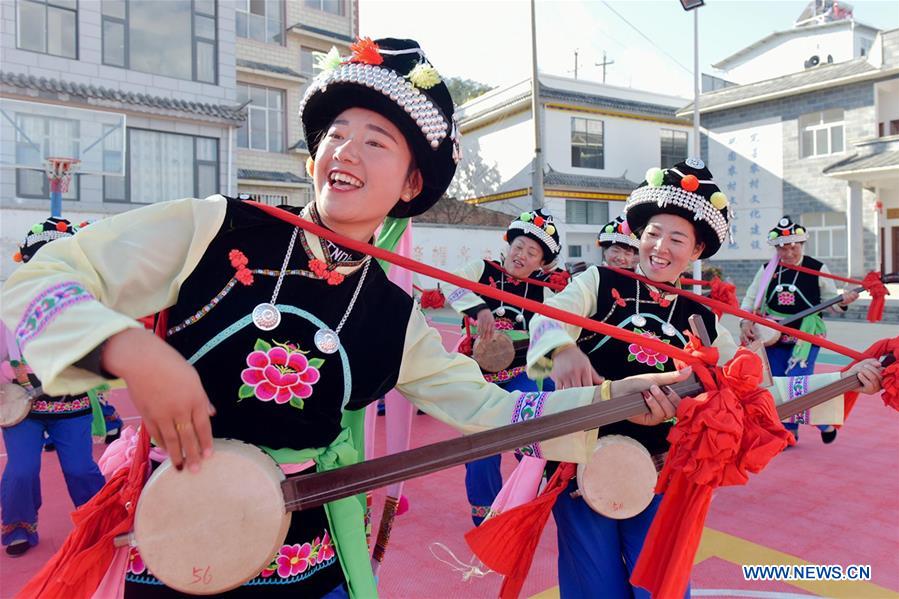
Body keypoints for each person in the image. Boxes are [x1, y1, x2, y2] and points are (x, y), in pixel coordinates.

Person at [2, 38, 686, 598]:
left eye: (376, 141)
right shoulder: (215, 226)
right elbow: (39, 278)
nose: (347, 151)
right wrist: (129, 348)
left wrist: (606, 403)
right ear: (312, 155)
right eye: (336, 133)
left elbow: (486, 406)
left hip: (311, 557)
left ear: (411, 184)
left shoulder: (393, 312)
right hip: (183, 541)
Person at [526, 160, 883, 599]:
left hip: (664, 474)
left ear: (696, 252)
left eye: (677, 239)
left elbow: (758, 395)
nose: (660, 246)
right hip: (582, 467)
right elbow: (545, 319)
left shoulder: (706, 320)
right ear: (639, 234)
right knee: (591, 588)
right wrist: (562, 349)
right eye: (653, 233)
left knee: (661, 587)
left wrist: (845, 379)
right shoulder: (597, 282)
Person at [444, 209, 560, 524]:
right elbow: (450, 287)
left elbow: (552, 334)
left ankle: (528, 500)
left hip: (523, 375)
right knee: (481, 446)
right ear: (508, 245)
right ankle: (488, 518)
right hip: (478, 377)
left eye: (532, 252)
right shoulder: (482, 269)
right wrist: (480, 310)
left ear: (541, 262)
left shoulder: (545, 290)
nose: (522, 255)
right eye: (519, 247)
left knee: (532, 438)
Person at [1, 218, 106, 557]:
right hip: (23, 410)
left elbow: (102, 355)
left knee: (80, 468)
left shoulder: (87, 305)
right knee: (21, 470)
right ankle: (18, 525)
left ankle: (99, 523)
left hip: (71, 406)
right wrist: (12, 370)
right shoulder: (9, 304)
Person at [739, 216, 860, 444]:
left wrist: (844, 300)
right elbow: (751, 297)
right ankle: (788, 433)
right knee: (779, 384)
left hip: (806, 336)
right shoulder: (768, 269)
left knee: (798, 383)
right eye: (783, 249)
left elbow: (832, 302)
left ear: (801, 245)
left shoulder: (816, 268)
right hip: (773, 336)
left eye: (793, 247)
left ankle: (824, 423)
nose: (788, 253)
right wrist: (746, 322)